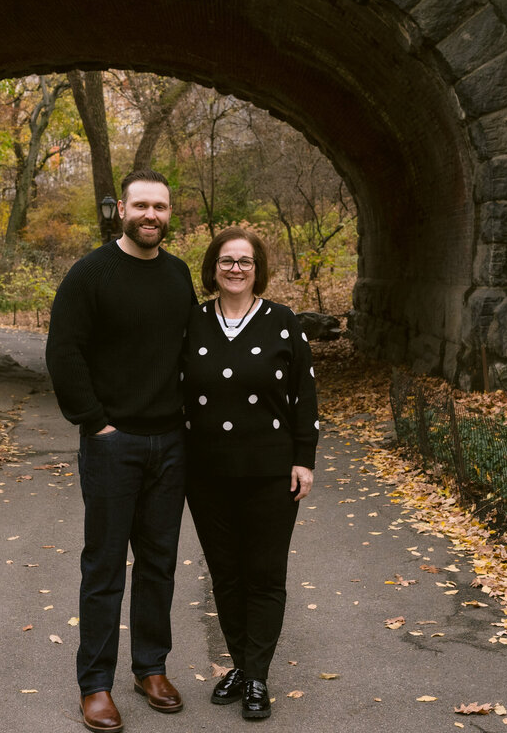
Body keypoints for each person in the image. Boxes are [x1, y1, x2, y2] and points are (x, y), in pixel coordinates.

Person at [45, 169, 197, 733]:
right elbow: (64, 352)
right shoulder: (90, 274)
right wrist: (96, 424)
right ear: (122, 211)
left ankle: (150, 668)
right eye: (141, 205)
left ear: (169, 213)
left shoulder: (178, 275)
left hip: (170, 443)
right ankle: (96, 685)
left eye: (160, 206)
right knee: (105, 565)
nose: (151, 215)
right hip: (113, 444)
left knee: (159, 563)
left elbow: (189, 353)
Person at [182, 227, 319, 721]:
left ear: (257, 268)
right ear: (212, 267)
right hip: (207, 473)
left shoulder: (283, 323)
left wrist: (305, 458)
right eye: (226, 260)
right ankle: (241, 662)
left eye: (245, 261)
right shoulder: (192, 322)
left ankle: (257, 676)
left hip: (270, 473)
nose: (235, 268)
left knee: (264, 573)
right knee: (226, 574)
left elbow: (305, 396)